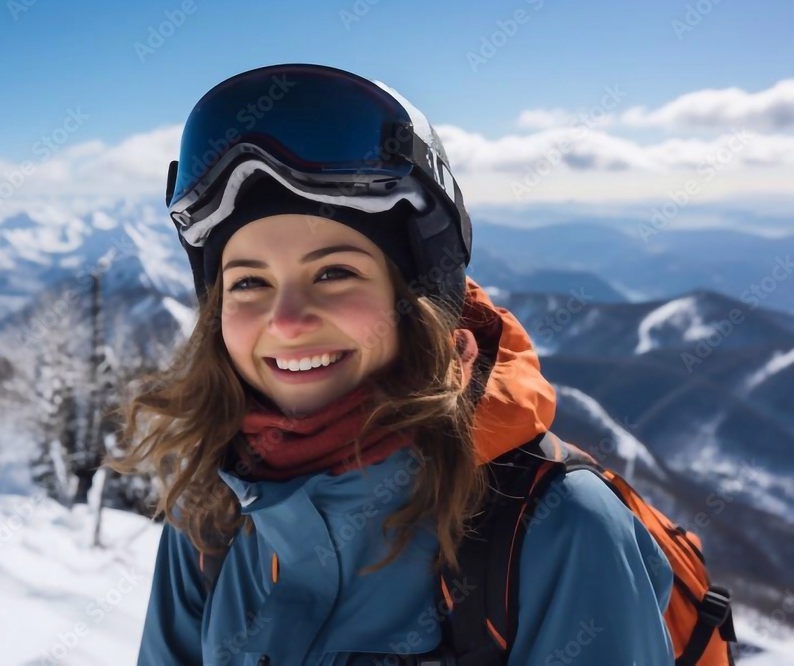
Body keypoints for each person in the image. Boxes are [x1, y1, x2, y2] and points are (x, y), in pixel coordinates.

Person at [111, 63, 675, 665]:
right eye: (249, 282)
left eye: (334, 273)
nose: (288, 320)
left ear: (414, 300)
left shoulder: (556, 533)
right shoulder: (210, 513)